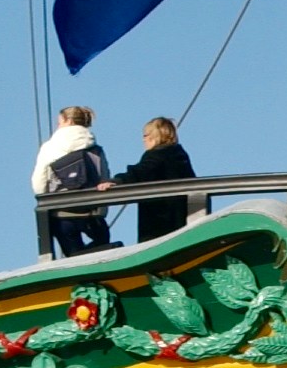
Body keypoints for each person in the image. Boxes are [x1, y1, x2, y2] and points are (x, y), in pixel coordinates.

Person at [32, 105, 113, 255]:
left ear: (67, 121)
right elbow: (104, 178)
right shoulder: (95, 149)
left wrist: (46, 202)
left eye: (59, 122)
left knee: (73, 259)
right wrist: (101, 212)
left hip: (61, 214)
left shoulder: (50, 147)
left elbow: (39, 183)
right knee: (103, 252)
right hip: (91, 214)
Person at [115, 115, 198, 243]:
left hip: (159, 224)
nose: (143, 140)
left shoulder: (156, 155)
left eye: (145, 135)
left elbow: (141, 173)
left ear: (155, 136)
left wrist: (118, 181)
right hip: (181, 222)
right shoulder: (179, 155)